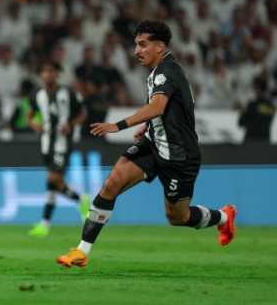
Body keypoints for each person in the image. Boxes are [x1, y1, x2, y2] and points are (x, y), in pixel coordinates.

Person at [57, 20, 237, 269]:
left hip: (179, 156)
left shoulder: (167, 71)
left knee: (178, 217)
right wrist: (150, 125)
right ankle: (81, 251)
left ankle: (224, 217)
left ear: (160, 47)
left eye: (142, 45)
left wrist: (117, 125)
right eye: (135, 45)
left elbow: (158, 106)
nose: (136, 51)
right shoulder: (158, 72)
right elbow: (170, 110)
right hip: (154, 144)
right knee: (113, 182)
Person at [28, 61, 90, 237]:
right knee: (54, 183)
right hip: (46, 143)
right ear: (41, 75)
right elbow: (29, 115)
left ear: (57, 74)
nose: (47, 74)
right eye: (44, 71)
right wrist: (35, 124)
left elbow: (82, 114)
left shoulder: (68, 93)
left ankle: (78, 203)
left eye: (51, 71)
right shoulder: (37, 94)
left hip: (62, 144)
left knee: (52, 178)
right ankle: (47, 222)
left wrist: (70, 124)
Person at [238, 77, 275, 143]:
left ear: (257, 89)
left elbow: (241, 123)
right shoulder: (271, 105)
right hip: (265, 141)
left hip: (251, 141)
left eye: (255, 88)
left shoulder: (251, 105)